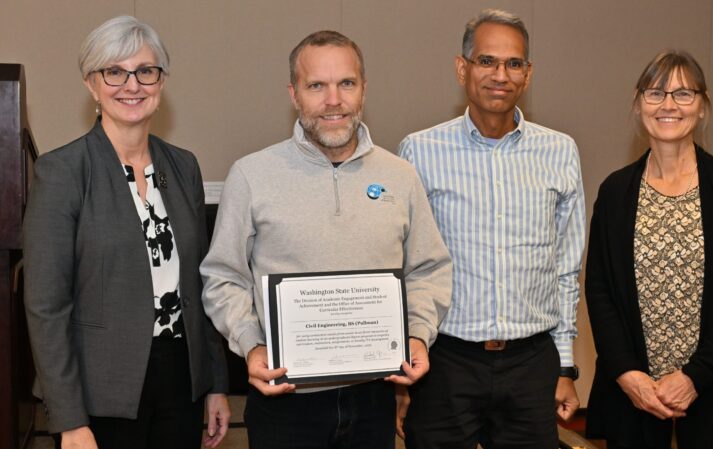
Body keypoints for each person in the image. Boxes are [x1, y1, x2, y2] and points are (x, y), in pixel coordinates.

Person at [200, 30, 452, 449]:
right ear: (294, 94)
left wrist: (417, 334)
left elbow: (429, 268)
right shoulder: (251, 175)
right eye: (316, 85)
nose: (333, 100)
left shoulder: (400, 176)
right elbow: (222, 276)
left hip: (374, 396)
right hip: (286, 400)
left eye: (346, 84)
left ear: (364, 90)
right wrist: (251, 344)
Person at [23, 16, 230, 449]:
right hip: (101, 392)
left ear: (161, 81)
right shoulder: (63, 171)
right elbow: (46, 307)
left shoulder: (184, 166)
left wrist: (215, 384)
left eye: (145, 71)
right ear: (91, 84)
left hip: (181, 380)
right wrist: (68, 418)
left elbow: (201, 282)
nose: (131, 85)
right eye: (114, 71)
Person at [397, 9, 586, 449]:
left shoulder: (560, 151)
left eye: (514, 63)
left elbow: (565, 270)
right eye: (487, 61)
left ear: (528, 73)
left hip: (531, 362)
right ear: (462, 68)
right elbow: (405, 268)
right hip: (445, 362)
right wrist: (402, 377)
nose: (500, 74)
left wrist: (564, 367)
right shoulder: (418, 150)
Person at [584, 50, 713, 449]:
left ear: (702, 106)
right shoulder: (615, 192)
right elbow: (600, 292)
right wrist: (626, 374)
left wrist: (694, 377)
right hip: (635, 394)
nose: (668, 105)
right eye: (655, 93)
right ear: (638, 104)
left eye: (684, 94)